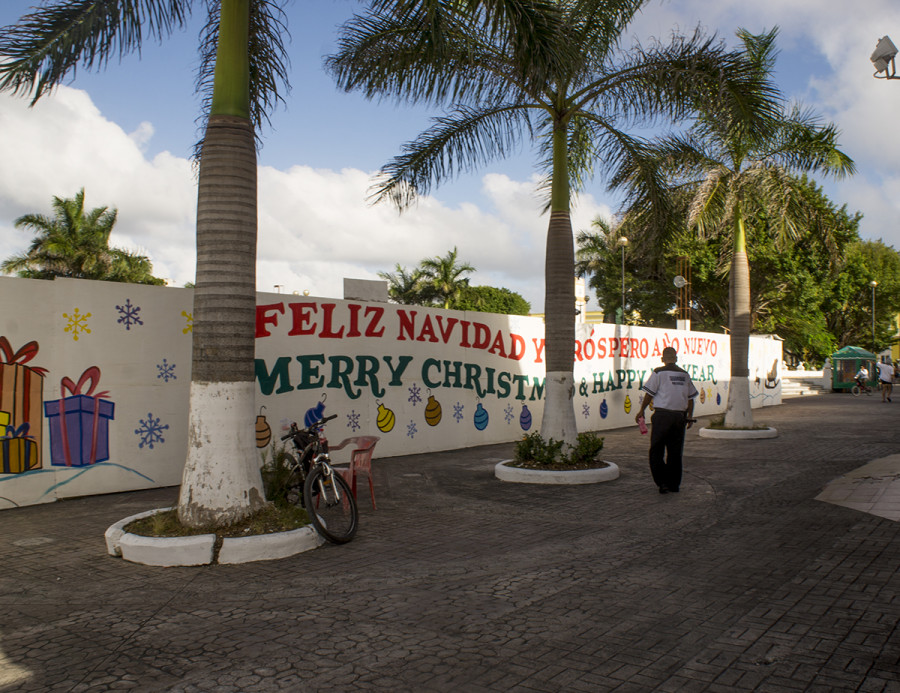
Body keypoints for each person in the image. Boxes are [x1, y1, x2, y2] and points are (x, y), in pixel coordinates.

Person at [634, 346, 699, 494]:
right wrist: (689, 416)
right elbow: (690, 399)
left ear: (662, 359)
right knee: (675, 452)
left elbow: (649, 394)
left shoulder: (658, 373)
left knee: (656, 450)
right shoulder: (685, 375)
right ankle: (674, 484)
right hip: (679, 417)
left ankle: (662, 482)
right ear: (676, 358)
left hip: (662, 416)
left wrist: (641, 410)